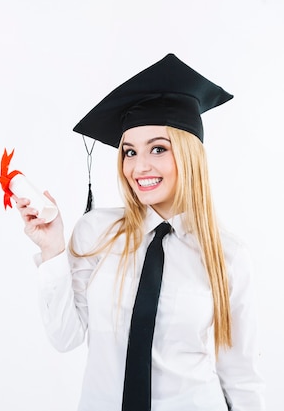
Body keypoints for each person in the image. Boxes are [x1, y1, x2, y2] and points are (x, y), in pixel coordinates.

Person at [15, 54, 265, 410]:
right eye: (129, 152)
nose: (139, 166)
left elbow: (241, 376)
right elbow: (65, 336)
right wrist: (52, 249)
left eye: (158, 149)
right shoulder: (96, 232)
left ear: (190, 155)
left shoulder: (227, 254)